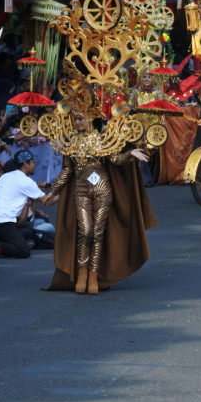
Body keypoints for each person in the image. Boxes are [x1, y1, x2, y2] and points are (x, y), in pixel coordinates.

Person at [46, 112, 152, 294]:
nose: (77, 122)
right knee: (85, 231)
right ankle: (81, 274)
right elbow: (67, 171)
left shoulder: (103, 141)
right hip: (81, 191)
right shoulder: (72, 143)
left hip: (103, 191)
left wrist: (130, 154)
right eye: (76, 119)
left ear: (90, 120)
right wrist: (53, 191)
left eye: (80, 118)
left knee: (97, 233)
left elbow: (115, 159)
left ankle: (93, 275)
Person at [0, 150, 54, 258]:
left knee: (30, 234)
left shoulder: (5, 176)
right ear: (25, 164)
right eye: (33, 162)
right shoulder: (25, 181)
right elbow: (48, 201)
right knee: (23, 251)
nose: (34, 165)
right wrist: (64, 193)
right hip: (4, 223)